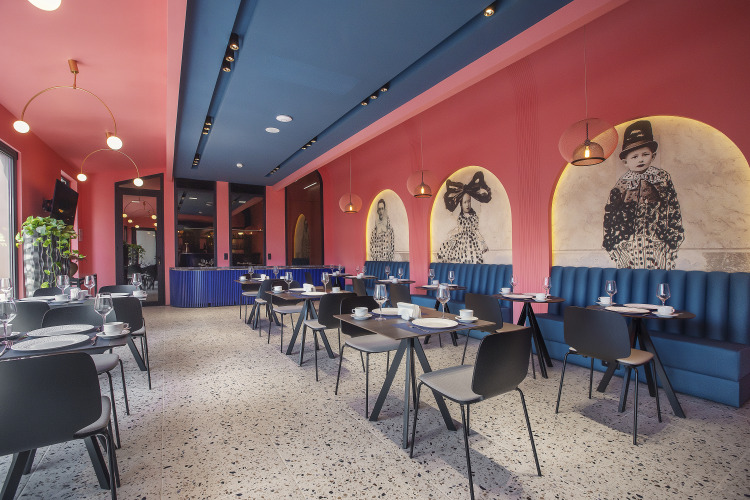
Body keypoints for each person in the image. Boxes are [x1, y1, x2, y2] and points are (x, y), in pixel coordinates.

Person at [603, 120, 684, 269]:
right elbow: (611, 215)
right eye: (634, 157)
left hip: (658, 242)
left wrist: (672, 240)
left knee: (659, 273)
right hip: (628, 244)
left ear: (653, 156)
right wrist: (614, 244)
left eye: (645, 154)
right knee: (629, 275)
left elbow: (673, 209)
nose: (640, 159)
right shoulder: (621, 184)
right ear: (625, 162)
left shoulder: (662, 178)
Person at [436, 171, 491, 263]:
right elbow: (459, 229)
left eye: (469, 201)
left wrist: (483, 243)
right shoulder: (460, 217)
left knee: (473, 260)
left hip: (471, 243)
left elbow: (476, 231)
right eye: (465, 202)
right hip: (461, 242)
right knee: (456, 257)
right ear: (461, 204)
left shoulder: (474, 217)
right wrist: (451, 236)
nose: (467, 205)